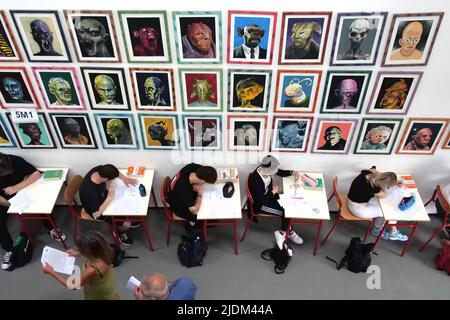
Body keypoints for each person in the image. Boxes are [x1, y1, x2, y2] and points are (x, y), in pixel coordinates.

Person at [0, 153, 65, 270]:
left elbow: (36, 173)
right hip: (4, 200)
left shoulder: (14, 160)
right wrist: (9, 204)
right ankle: (9, 250)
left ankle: (51, 228)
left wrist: (17, 187)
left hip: (22, 190)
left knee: (42, 203)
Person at [42, 231, 119, 300]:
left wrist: (51, 272)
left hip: (98, 294)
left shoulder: (91, 270)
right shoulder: (107, 251)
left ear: (88, 253)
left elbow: (72, 285)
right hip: (107, 287)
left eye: (81, 250)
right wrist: (78, 252)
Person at [248, 155, 304, 249]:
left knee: (289, 206)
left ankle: (287, 230)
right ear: (268, 170)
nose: (276, 171)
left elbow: (279, 171)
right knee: (287, 212)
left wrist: (292, 172)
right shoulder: (255, 180)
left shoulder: (263, 167)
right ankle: (285, 232)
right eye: (275, 170)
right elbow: (260, 200)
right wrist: (272, 192)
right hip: (261, 204)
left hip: (269, 196)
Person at [79, 164, 138, 245]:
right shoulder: (90, 192)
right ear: (106, 179)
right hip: (97, 210)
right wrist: (109, 198)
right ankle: (120, 233)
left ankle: (126, 218)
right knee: (127, 224)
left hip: (102, 198)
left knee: (125, 202)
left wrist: (125, 179)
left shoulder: (99, 170)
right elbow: (96, 214)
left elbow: (115, 172)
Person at [347, 167, 409, 241]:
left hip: (354, 200)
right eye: (387, 186)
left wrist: (394, 182)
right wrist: (388, 186)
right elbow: (384, 195)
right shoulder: (372, 187)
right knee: (387, 210)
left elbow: (376, 172)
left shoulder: (367, 173)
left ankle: (379, 228)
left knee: (383, 206)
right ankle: (390, 231)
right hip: (357, 208)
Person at [167, 163, 217, 232]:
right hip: (178, 206)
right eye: (205, 183)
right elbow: (194, 211)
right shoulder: (184, 190)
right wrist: (200, 195)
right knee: (212, 221)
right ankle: (191, 224)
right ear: (202, 181)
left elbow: (205, 170)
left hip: (175, 195)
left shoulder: (190, 167)